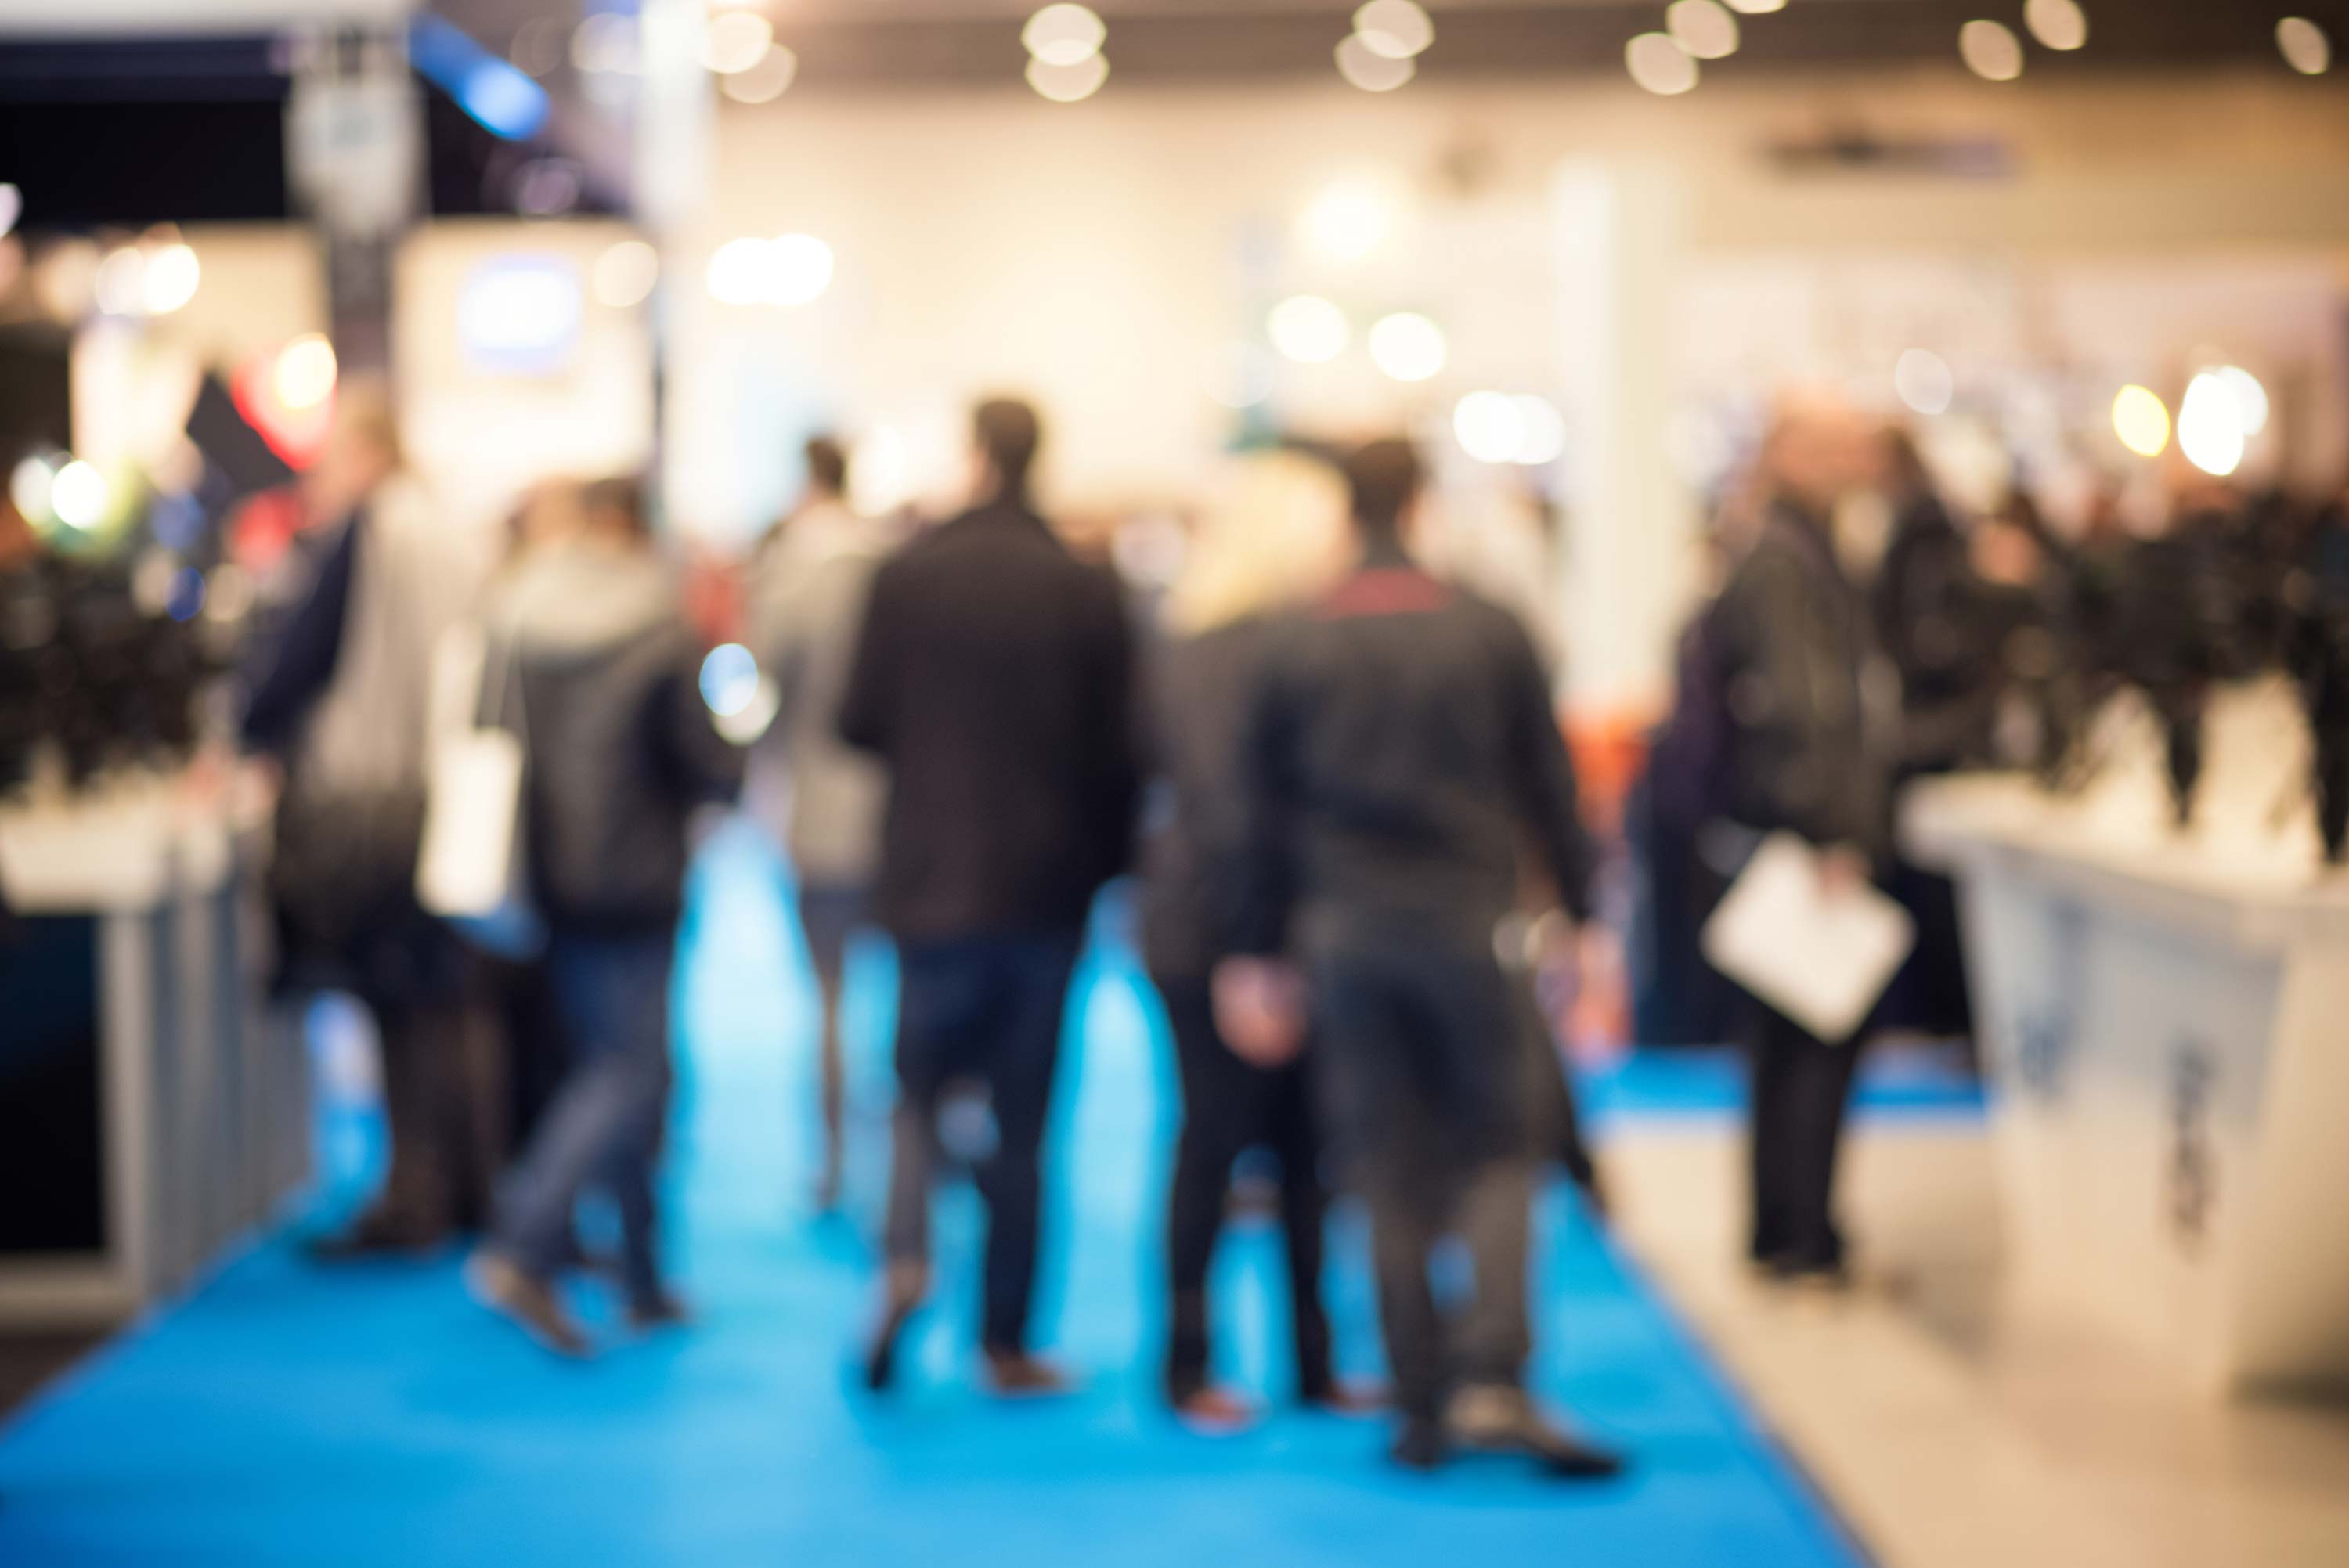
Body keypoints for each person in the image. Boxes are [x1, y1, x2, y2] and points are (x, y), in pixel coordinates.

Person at [1212, 437, 1622, 1479]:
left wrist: (1257, 947)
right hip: (1470, 920)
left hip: (1344, 930)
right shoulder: (1485, 624)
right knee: (1498, 1141)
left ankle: (1417, 1394)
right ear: (1425, 500)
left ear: (1344, 509)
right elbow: (1550, 782)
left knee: (1383, 1157)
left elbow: (1255, 814)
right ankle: (1495, 1373)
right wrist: (1582, 913)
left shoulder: (1294, 634)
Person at [840, 397, 1139, 1397]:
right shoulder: (1084, 584)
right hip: (1046, 892)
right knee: (1025, 1121)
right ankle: (1004, 1340)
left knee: (917, 1092)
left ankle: (905, 1258)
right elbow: (1125, 752)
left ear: (973, 456)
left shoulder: (907, 574)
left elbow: (857, 721)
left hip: (928, 884)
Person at [467, 477, 742, 1356]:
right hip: (640, 878)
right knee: (632, 1071)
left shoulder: (517, 616)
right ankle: (524, 1239)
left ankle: (642, 1277)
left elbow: (486, 737)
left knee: (609, 1063)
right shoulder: (661, 626)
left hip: (551, 879)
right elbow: (710, 763)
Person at [240, 381, 503, 1255]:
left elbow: (296, 662)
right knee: (449, 1000)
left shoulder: (372, 529)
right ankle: (470, 1187)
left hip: (373, 799)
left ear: (360, 451)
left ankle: (412, 1194)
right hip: (446, 792)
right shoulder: (451, 529)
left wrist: (247, 735)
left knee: (397, 1004)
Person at [1139, 451, 1366, 1432]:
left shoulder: (1214, 640)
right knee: (1217, 1144)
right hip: (1223, 934)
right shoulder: (1230, 649)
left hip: (1257, 927)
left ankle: (1313, 1364)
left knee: (1301, 1149)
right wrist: (1252, 952)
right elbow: (1231, 814)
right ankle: (1189, 1366)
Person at [1710, 394, 1887, 1285]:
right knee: (1810, 1035)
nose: (1847, 460)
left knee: (1789, 1038)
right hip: (1801, 835)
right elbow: (1802, 700)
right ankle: (1800, 1233)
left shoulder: (1798, 549)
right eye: (1825, 445)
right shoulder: (1784, 560)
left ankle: (1787, 1228)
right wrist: (1833, 827)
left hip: (1789, 827)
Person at [745, 437, 893, 1213]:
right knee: (905, 999)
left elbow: (764, 688)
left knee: (828, 996)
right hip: (898, 816)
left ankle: (833, 1164)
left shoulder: (789, 569)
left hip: (817, 815)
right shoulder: (891, 562)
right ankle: (911, 1168)